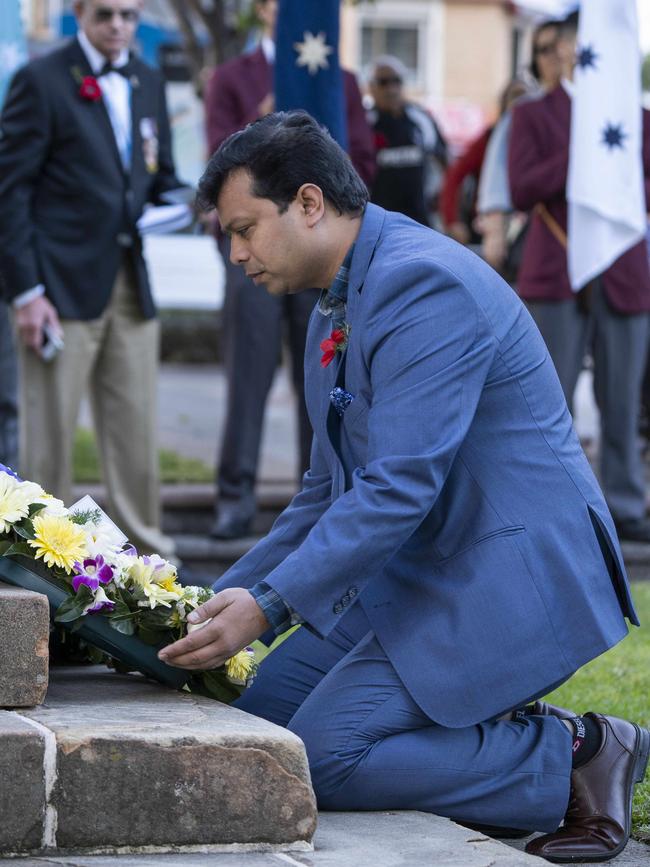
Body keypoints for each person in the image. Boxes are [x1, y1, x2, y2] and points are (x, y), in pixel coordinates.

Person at [159, 111, 648, 864]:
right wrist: (208, 603)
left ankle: (577, 751)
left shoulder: (423, 284)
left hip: (514, 577)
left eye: (245, 228)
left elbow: (397, 487)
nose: (236, 253)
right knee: (262, 725)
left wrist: (272, 604)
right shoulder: (340, 300)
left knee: (321, 756)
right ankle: (470, 722)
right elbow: (325, 492)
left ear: (310, 204)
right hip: (423, 575)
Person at [0, 0, 187, 557]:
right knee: (49, 443)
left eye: (130, 16)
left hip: (130, 280)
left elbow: (162, 178)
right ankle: (39, 571)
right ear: (79, 11)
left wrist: (193, 203)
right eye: (106, 14)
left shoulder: (147, 78)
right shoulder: (41, 79)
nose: (118, 26)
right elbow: (10, 192)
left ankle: (151, 569)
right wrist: (27, 293)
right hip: (56, 288)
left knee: (136, 437)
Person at [204, 0, 375, 540]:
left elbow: (362, 164)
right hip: (255, 249)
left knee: (327, 379)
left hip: (320, 250)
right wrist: (264, 120)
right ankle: (236, 498)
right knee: (248, 377)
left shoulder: (340, 81)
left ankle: (324, 495)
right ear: (263, 9)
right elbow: (216, 168)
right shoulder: (234, 77)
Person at [509, 12, 650, 544]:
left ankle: (626, 504)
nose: (560, 55)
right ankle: (550, 506)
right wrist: (582, 155)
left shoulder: (633, 115)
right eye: (554, 48)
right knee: (547, 401)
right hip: (557, 271)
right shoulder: (534, 115)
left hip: (623, 270)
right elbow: (521, 187)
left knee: (622, 398)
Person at [477, 19, 563, 276]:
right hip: (539, 234)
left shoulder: (594, 105)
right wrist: (495, 231)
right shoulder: (526, 111)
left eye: (557, 46)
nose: (553, 56)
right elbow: (497, 168)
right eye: (542, 49)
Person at [440, 78, 529, 250]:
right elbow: (454, 176)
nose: (521, 104)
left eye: (526, 97)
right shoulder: (489, 139)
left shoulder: (541, 141)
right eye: (516, 97)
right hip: (489, 226)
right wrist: (452, 221)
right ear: (505, 104)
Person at [366, 55, 448, 226]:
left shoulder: (420, 119)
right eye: (383, 82)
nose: (391, 89)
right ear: (371, 88)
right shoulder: (365, 123)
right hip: (377, 222)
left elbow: (443, 161)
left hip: (419, 220)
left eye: (396, 81)